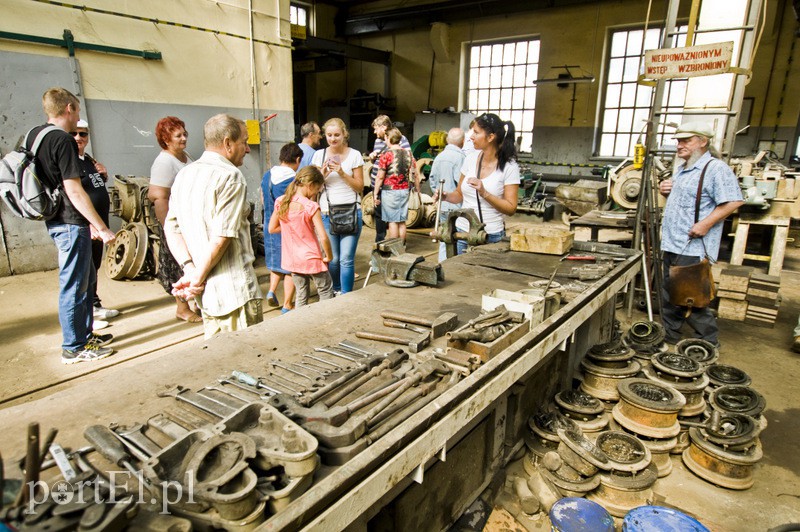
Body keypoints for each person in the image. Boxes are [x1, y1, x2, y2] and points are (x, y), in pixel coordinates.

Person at [35, 88, 116, 364]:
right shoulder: (61, 140)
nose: (77, 119)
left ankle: (84, 335)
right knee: (74, 285)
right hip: (70, 222)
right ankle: (73, 347)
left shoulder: (36, 135)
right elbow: (74, 189)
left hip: (58, 220)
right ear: (69, 108)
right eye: (77, 111)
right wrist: (100, 226)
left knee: (82, 283)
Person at [165, 114, 263, 339]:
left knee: (220, 363)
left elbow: (172, 228)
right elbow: (222, 237)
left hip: (207, 298)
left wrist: (190, 270)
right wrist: (196, 278)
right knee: (247, 362)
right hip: (235, 295)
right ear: (228, 143)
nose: (247, 149)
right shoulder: (231, 176)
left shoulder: (184, 175)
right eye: (244, 142)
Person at [659, 121, 744, 346]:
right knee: (669, 293)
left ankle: (707, 342)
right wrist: (667, 191)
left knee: (692, 297)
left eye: (686, 140)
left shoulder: (715, 168)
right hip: (673, 241)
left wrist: (705, 224)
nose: (679, 145)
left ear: (703, 141)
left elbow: (734, 201)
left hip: (693, 245)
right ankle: (670, 335)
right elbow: (687, 201)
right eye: (678, 141)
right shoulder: (683, 169)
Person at [434, 113, 520, 255]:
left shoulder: (509, 167)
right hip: (462, 232)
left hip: (490, 236)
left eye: (476, 132)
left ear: (491, 137)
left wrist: (484, 193)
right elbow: (459, 195)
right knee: (458, 275)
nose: (471, 136)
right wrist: (446, 196)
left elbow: (511, 208)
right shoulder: (470, 159)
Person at [148, 116, 202, 324]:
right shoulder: (164, 162)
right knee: (180, 264)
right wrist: (168, 229)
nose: (184, 138)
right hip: (175, 223)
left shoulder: (184, 155)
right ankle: (182, 308)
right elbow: (158, 196)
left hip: (188, 220)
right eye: (178, 135)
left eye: (184, 134)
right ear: (166, 139)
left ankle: (195, 301)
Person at [72, 119, 119, 327]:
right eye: (74, 134)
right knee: (84, 269)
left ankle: (94, 303)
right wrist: (89, 224)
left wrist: (104, 175)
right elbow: (72, 196)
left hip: (99, 225)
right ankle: (86, 314)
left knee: (94, 265)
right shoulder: (70, 161)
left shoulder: (88, 160)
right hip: (87, 226)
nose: (78, 138)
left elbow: (94, 187)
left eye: (83, 134)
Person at [312, 118, 365, 295]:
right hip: (327, 212)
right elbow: (313, 188)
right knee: (332, 259)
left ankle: (346, 295)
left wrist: (342, 173)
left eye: (337, 135)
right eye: (329, 135)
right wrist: (323, 173)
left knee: (347, 259)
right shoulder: (318, 155)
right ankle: (335, 291)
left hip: (351, 210)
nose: (333, 139)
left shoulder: (355, 155)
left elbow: (359, 187)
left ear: (344, 134)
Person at [268, 166, 334, 308]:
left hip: (292, 259)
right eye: (317, 189)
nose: (316, 192)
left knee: (301, 293)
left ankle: (300, 323)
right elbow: (323, 237)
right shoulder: (311, 206)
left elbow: (271, 228)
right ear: (310, 185)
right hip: (311, 258)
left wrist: (290, 228)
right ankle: (325, 319)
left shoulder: (281, 201)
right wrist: (329, 256)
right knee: (326, 291)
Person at [261, 143, 302, 313]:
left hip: (269, 224)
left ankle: (271, 291)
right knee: (289, 268)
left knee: (275, 263)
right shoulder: (293, 179)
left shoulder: (267, 175)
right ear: (298, 159)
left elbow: (264, 200)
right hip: (285, 227)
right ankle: (287, 304)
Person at [368, 115, 410, 242]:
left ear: (384, 127)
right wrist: (372, 157)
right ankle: (380, 242)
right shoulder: (378, 141)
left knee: (393, 220)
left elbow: (407, 159)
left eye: (376, 129)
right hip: (378, 183)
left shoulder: (401, 139)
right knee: (380, 215)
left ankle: (394, 247)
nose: (375, 132)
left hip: (390, 186)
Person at [373, 128, 418, 243]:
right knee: (401, 221)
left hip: (390, 192)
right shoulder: (409, 153)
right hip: (404, 190)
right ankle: (402, 248)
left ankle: (394, 250)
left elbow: (380, 177)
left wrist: (375, 193)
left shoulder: (386, 155)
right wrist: (418, 190)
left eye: (386, 138)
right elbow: (415, 174)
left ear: (388, 138)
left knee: (392, 221)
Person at [429, 127, 466, 261]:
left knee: (445, 239)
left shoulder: (439, 157)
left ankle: (442, 267)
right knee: (459, 241)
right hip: (457, 208)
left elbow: (432, 180)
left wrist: (439, 195)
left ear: (448, 140)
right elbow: (461, 185)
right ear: (463, 142)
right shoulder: (461, 158)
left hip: (443, 207)